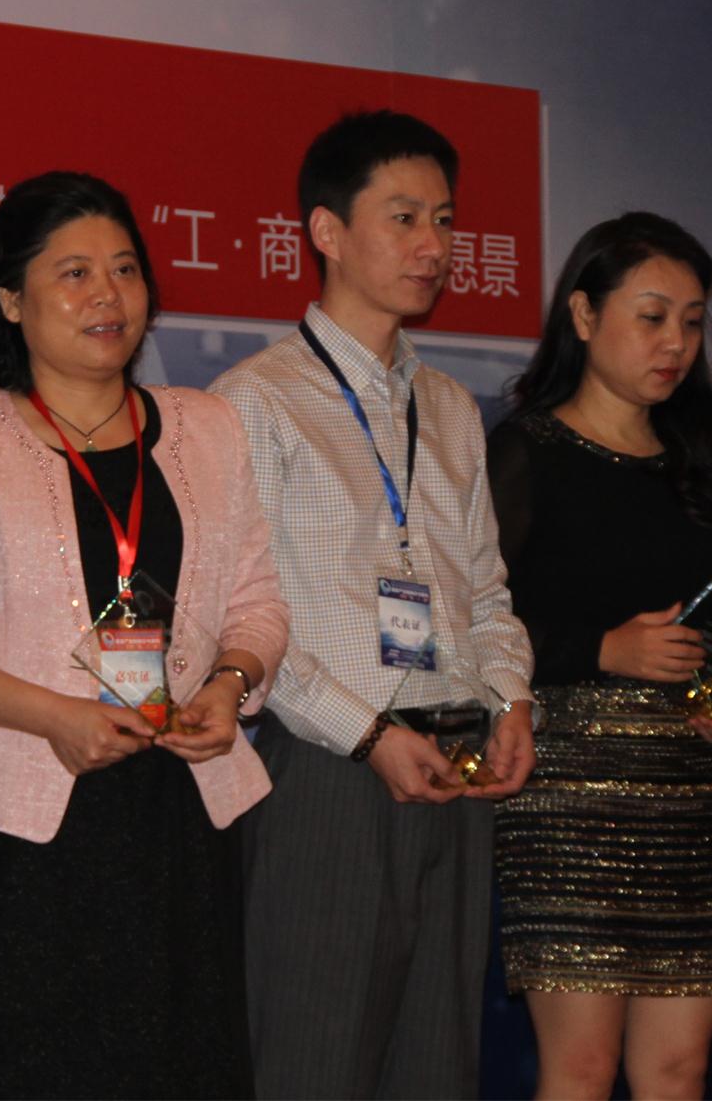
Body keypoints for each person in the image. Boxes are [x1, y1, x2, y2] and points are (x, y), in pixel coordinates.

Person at [0, 171, 289, 1099]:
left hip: (180, 814)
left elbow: (257, 601)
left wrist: (229, 686)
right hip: (22, 823)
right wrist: (52, 715)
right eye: (75, 273)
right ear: (10, 299)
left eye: (126, 269)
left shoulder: (207, 426)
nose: (108, 296)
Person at [208, 109, 537, 1099]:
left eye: (444, 219)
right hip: (327, 775)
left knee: (438, 1070)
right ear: (326, 230)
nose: (433, 244)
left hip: (457, 767)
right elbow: (244, 614)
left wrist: (512, 700)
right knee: (315, 1064)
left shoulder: (451, 408)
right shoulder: (256, 400)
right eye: (403, 217)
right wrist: (367, 736)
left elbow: (486, 590)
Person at [487, 211, 712, 1099]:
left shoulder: (711, 457)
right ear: (583, 313)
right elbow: (479, 621)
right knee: (582, 1067)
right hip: (569, 788)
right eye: (651, 316)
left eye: (691, 320)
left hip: (691, 790)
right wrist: (603, 648)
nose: (674, 341)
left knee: (679, 1069)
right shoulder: (525, 452)